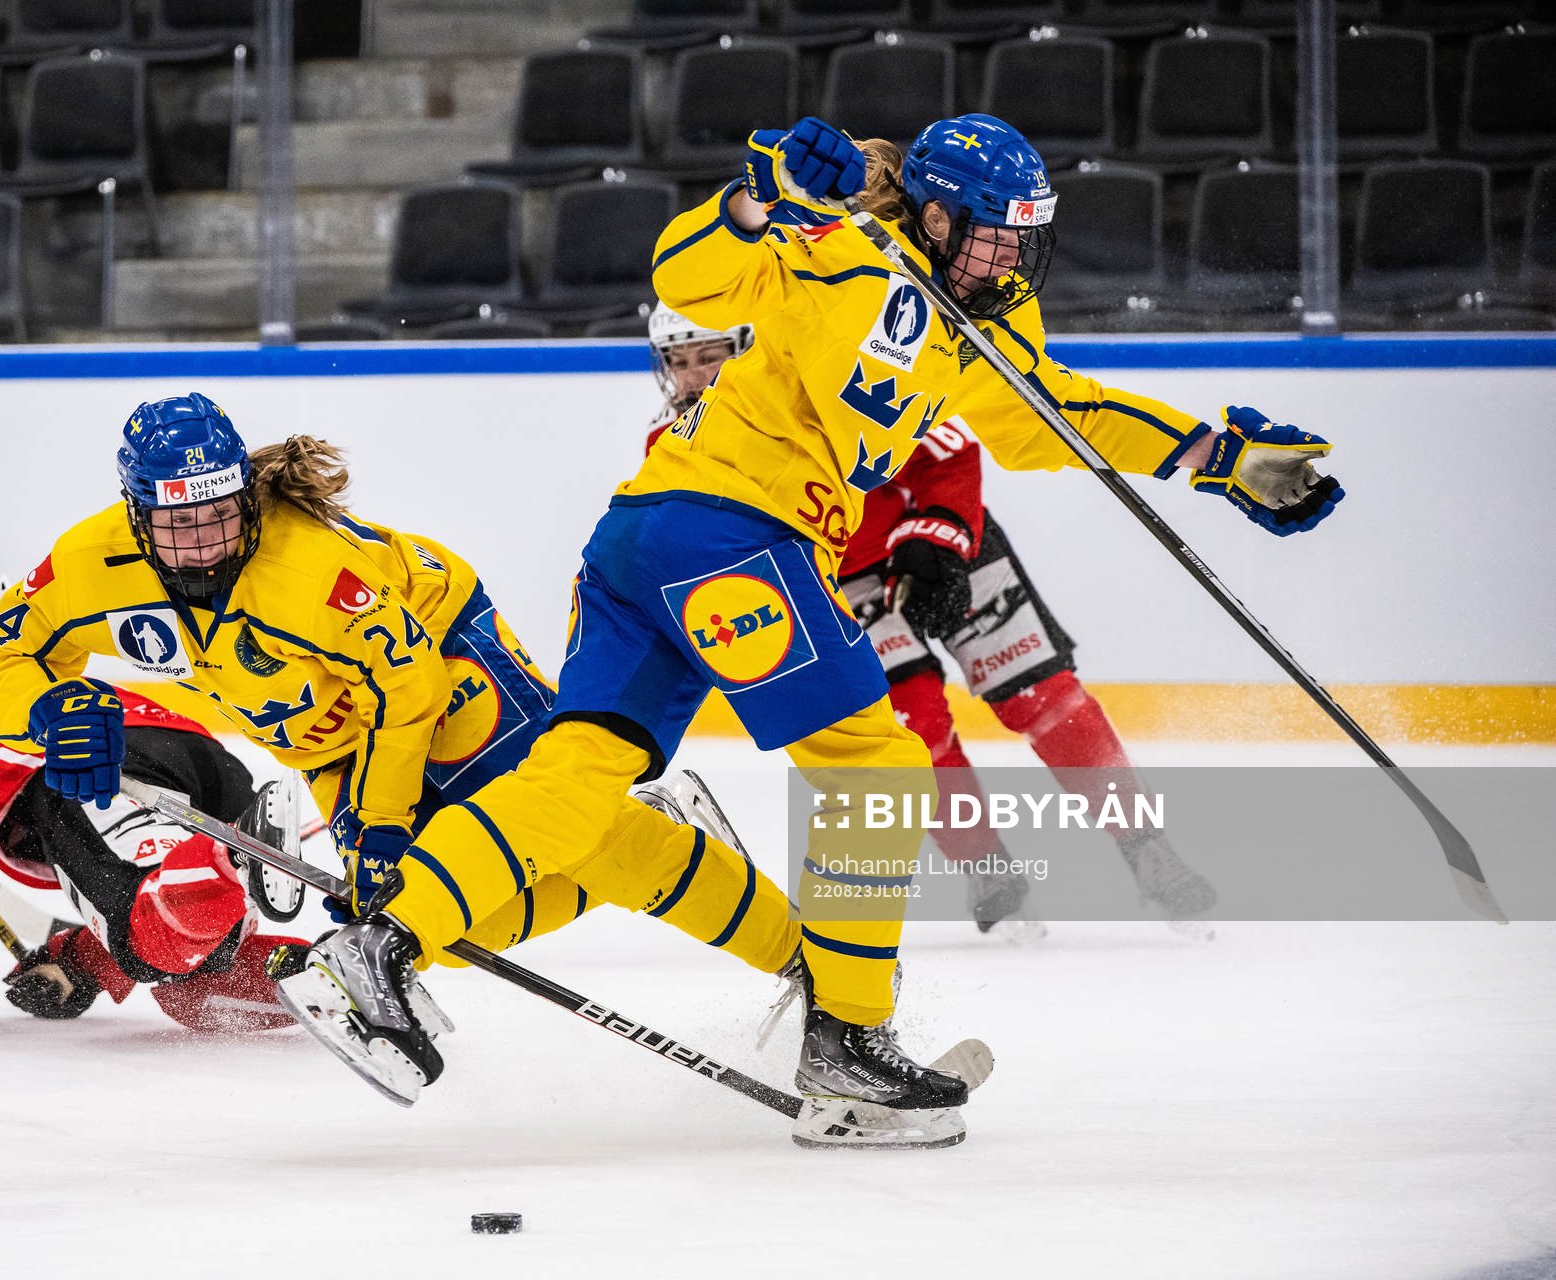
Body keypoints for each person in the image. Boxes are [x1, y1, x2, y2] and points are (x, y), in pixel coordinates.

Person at [273, 112, 1342, 1147]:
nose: (1013, 252)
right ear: (932, 214)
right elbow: (685, 275)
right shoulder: (832, 244)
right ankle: (849, 1038)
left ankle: (379, 945)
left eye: (1028, 232)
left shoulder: (986, 330)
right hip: (730, 534)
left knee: (586, 765)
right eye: (992, 230)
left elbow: (1058, 413)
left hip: (646, 539)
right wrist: (756, 197)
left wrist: (1221, 456)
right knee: (879, 763)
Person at [0, 394, 804, 1071]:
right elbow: (7, 652)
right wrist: (48, 712)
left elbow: (407, 690)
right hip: (328, 738)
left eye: (222, 514)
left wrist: (380, 820)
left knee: (574, 838)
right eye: (178, 524)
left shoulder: (311, 570)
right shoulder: (88, 563)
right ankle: (662, 827)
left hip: (445, 667)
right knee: (437, 913)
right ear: (135, 512)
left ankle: (801, 959)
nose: (206, 543)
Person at [642, 297, 1215, 936]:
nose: (694, 375)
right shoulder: (669, 447)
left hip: (942, 545)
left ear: (748, 347)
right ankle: (987, 870)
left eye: (709, 356)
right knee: (914, 731)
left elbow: (948, 450)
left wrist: (935, 535)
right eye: (680, 361)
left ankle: (1147, 849)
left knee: (1042, 697)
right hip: (841, 583)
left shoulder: (829, 379)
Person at [0, 519, 307, 1034]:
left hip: (93, 776)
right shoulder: (52, 685)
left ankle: (232, 854)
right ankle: (337, 975)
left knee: (153, 943)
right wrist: (77, 965)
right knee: (194, 975)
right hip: (204, 763)